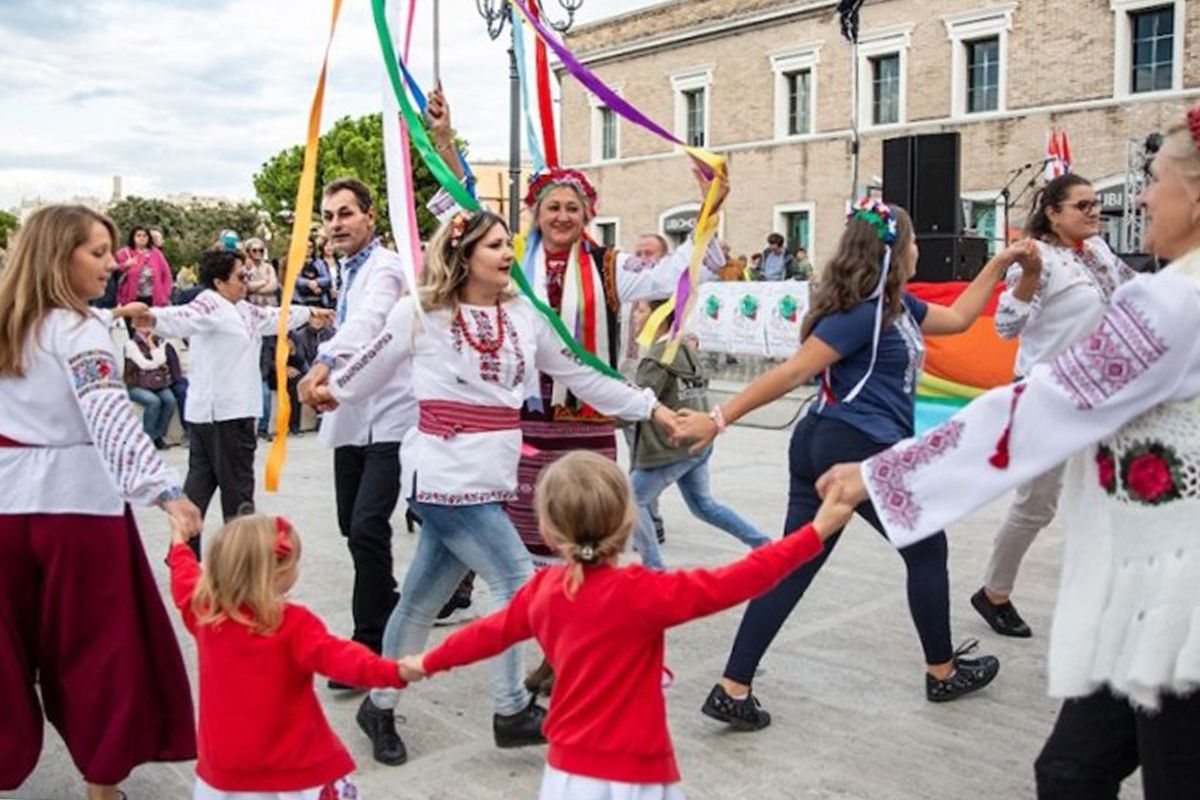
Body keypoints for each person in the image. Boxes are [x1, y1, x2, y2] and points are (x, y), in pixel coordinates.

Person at [820, 101, 1200, 800]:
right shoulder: (1154, 286)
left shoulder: (1175, 300)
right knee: (1068, 771)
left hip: (1178, 598)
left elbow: (1045, 409)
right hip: (1148, 586)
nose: (1139, 197)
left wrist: (886, 474)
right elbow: (1012, 340)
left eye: (1154, 180)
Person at [317, 210, 681, 766]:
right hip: (439, 475)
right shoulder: (421, 312)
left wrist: (653, 409)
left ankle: (381, 702)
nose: (506, 252)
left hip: (492, 479)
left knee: (418, 602)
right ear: (464, 255)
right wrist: (329, 387)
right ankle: (510, 709)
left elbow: (581, 375)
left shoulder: (523, 316)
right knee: (518, 582)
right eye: (492, 245)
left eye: (506, 243)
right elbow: (364, 369)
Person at [676, 200, 1030, 729]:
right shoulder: (860, 315)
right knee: (928, 548)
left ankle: (733, 686)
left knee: (797, 560)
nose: (917, 250)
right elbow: (795, 371)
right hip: (855, 446)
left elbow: (957, 320)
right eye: (911, 242)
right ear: (891, 251)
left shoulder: (899, 308)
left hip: (831, 442)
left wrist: (999, 266)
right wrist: (718, 419)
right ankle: (942, 670)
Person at [398, 451, 853, 799]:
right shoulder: (644, 593)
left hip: (568, 777)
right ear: (629, 520)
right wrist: (814, 532)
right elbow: (739, 580)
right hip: (640, 773)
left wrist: (427, 660)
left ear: (548, 531)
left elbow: (486, 635)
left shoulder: (542, 593)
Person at [425, 86, 728, 562]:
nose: (562, 216)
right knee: (526, 540)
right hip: (521, 416)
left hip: (587, 419)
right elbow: (467, 214)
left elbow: (671, 274)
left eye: (572, 208)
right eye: (552, 208)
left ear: (587, 215)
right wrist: (444, 141)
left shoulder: (609, 266)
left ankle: (585, 616)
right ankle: (536, 613)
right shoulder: (510, 260)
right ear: (536, 215)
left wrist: (711, 205)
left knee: (586, 537)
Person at [0, 205, 202, 800]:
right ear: (60, 256)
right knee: (98, 650)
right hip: (78, 512)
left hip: (5, 510)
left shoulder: (9, 324)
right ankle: (102, 785)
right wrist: (165, 493)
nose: (112, 263)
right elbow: (109, 414)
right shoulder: (80, 327)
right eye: (97, 251)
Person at [974, 173, 1136, 638]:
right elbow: (1006, 326)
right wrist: (1026, 279)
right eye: (1082, 205)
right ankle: (994, 592)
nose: (1093, 212)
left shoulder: (1100, 251)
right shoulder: (1035, 258)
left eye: (1094, 204)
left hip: (1100, 395)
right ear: (1053, 212)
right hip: (1047, 397)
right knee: (1036, 506)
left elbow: (1131, 290)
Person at [167, 514, 408, 799]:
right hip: (294, 766)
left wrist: (179, 542)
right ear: (278, 574)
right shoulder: (294, 625)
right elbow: (342, 659)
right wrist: (394, 671)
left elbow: (183, 577)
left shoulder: (204, 611)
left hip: (225, 767)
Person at [296, 179, 417, 686]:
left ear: (370, 217)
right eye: (328, 216)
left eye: (346, 213)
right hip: (351, 417)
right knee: (351, 525)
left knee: (368, 526)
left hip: (390, 416)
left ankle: (369, 642)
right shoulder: (346, 271)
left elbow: (368, 323)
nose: (336, 224)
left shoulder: (385, 266)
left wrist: (324, 362)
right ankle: (387, 599)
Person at [134, 250, 329, 543]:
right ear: (218, 282)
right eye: (240, 276)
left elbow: (273, 316)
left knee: (199, 493)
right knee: (238, 499)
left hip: (219, 415)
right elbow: (182, 317)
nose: (246, 282)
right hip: (225, 417)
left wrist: (311, 312)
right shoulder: (209, 306)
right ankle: (235, 566)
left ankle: (185, 555)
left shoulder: (242, 309)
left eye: (248, 275)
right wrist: (150, 316)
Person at [629, 299, 770, 569]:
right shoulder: (686, 349)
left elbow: (636, 404)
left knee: (632, 500)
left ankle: (654, 570)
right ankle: (763, 544)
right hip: (699, 442)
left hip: (672, 446)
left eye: (641, 310)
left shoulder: (656, 359)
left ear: (659, 318)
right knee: (704, 506)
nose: (635, 316)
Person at [125, 314, 179, 449]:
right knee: (153, 401)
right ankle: (149, 438)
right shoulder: (130, 344)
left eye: (147, 324)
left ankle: (158, 435)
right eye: (141, 325)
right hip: (136, 384)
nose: (145, 328)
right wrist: (156, 362)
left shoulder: (157, 341)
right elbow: (143, 364)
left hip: (157, 383)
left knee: (170, 400)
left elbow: (162, 360)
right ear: (135, 326)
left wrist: (151, 344)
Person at [116, 224, 173, 307]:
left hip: (153, 298)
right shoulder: (123, 253)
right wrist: (126, 265)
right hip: (131, 299)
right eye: (138, 236)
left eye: (144, 236)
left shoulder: (156, 253)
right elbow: (112, 270)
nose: (142, 238)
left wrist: (165, 294)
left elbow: (166, 274)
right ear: (133, 237)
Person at [296, 237, 333, 308]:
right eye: (305, 246)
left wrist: (316, 282)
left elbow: (327, 279)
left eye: (310, 247)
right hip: (300, 301)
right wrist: (308, 283)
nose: (308, 249)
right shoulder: (295, 262)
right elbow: (295, 279)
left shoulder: (320, 263)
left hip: (319, 301)